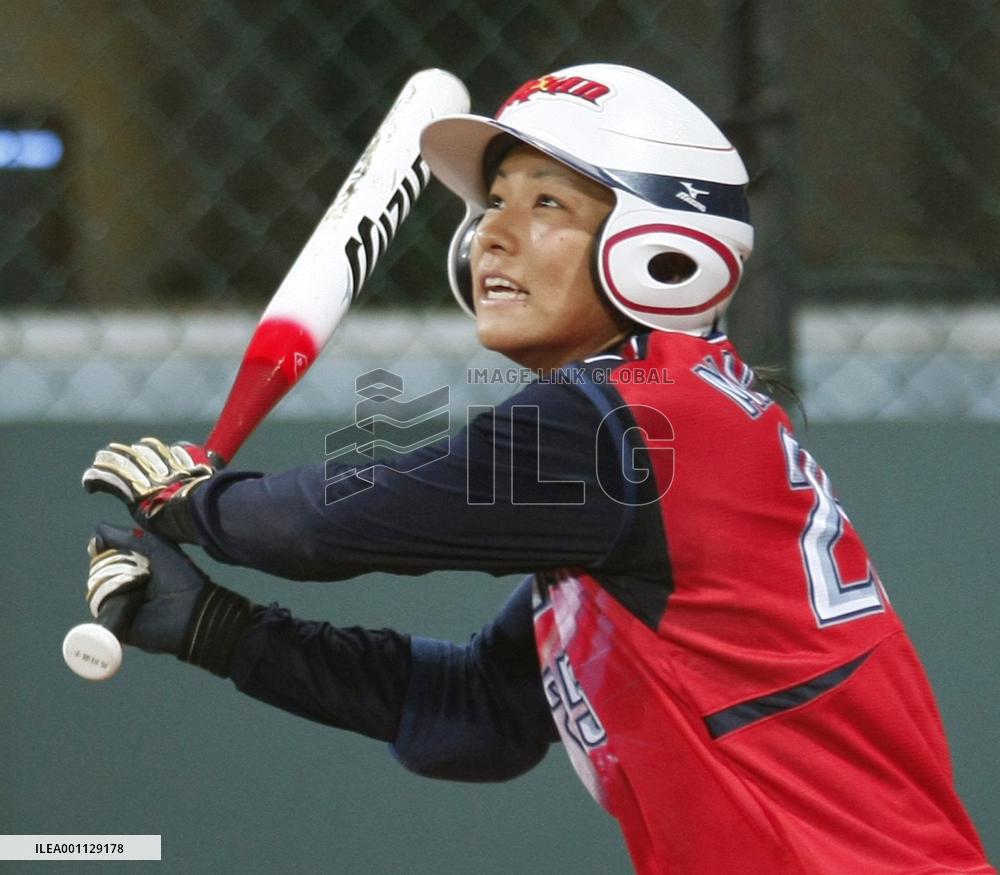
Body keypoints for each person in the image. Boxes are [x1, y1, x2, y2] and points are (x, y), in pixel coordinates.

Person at [81, 64, 994, 874]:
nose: (491, 235)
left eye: (547, 203)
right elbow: (478, 714)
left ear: (661, 251)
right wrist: (219, 630)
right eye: (493, 202)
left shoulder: (634, 420)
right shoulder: (663, 431)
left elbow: (320, 528)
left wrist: (194, 501)